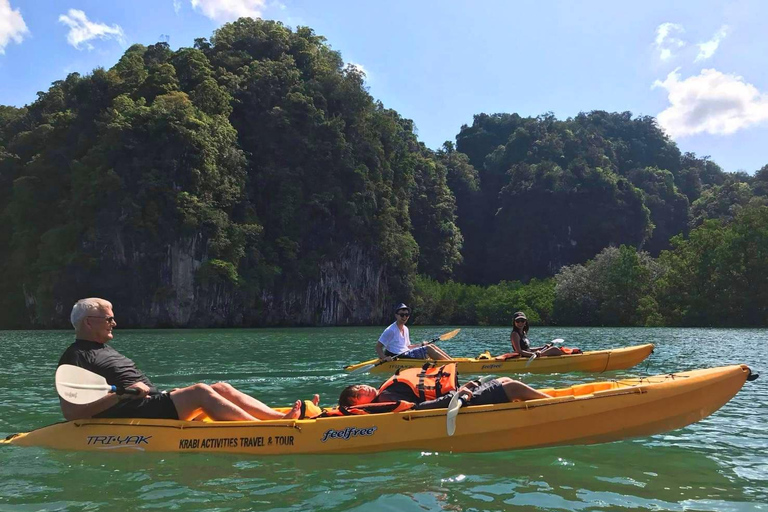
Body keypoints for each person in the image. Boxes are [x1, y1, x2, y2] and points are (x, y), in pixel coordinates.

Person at [58, 298, 315, 422]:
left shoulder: (104, 349)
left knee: (220, 388)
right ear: (89, 322)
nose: (114, 323)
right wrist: (122, 395)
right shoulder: (76, 357)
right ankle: (265, 432)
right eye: (109, 319)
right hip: (132, 410)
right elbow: (72, 413)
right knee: (201, 392)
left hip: (148, 402)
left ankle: (276, 419)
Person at [337, 362, 550, 411]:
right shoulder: (383, 402)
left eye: (360, 386)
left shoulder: (385, 392)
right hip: (452, 404)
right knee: (512, 387)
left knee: (504, 382)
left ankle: (547, 403)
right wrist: (455, 396)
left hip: (453, 398)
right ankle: (555, 405)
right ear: (357, 404)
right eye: (357, 394)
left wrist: (457, 391)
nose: (363, 389)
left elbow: (421, 400)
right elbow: (420, 410)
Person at [375, 303, 451, 361]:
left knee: (431, 346)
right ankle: (451, 364)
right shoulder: (390, 330)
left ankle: (451, 361)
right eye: (402, 315)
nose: (404, 317)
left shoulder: (406, 329)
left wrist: (421, 345)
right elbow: (378, 347)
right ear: (396, 315)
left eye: (406, 315)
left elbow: (408, 347)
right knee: (428, 348)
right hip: (398, 356)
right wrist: (385, 358)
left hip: (406, 353)